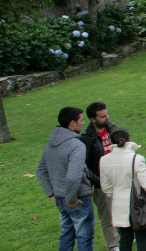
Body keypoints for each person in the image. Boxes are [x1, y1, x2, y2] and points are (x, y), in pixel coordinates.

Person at [37, 106, 96, 251]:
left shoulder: (51, 143)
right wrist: (71, 200)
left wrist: (51, 193)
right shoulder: (77, 145)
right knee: (84, 237)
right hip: (77, 198)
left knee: (67, 234)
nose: (83, 123)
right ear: (72, 123)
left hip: (60, 197)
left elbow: (41, 170)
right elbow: (73, 176)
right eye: (81, 120)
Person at [99, 129, 146, 251]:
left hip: (118, 205)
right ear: (128, 140)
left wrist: (116, 196)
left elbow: (106, 188)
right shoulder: (136, 159)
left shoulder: (104, 160)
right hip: (138, 204)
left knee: (125, 238)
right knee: (143, 238)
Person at [79, 102, 120, 251]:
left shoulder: (112, 129)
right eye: (103, 116)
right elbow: (84, 166)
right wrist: (98, 181)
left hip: (117, 176)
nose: (107, 118)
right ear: (92, 119)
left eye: (107, 114)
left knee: (122, 208)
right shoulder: (87, 139)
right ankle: (113, 244)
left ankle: (125, 236)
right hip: (101, 182)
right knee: (107, 215)